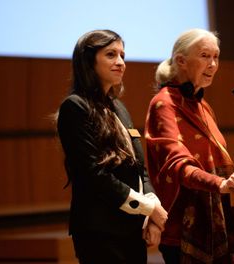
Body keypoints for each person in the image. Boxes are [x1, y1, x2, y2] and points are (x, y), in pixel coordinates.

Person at [144, 28, 234, 263]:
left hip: (218, 222)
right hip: (184, 227)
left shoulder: (202, 105)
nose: (213, 64)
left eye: (216, 57)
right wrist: (222, 183)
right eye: (205, 56)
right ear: (181, 61)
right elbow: (178, 165)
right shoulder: (164, 104)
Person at [56, 29, 168, 263]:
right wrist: (148, 208)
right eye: (111, 55)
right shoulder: (75, 107)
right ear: (88, 60)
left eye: (122, 56)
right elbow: (93, 175)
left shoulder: (119, 108)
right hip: (100, 231)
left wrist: (152, 213)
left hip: (131, 229)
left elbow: (140, 169)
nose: (120, 62)